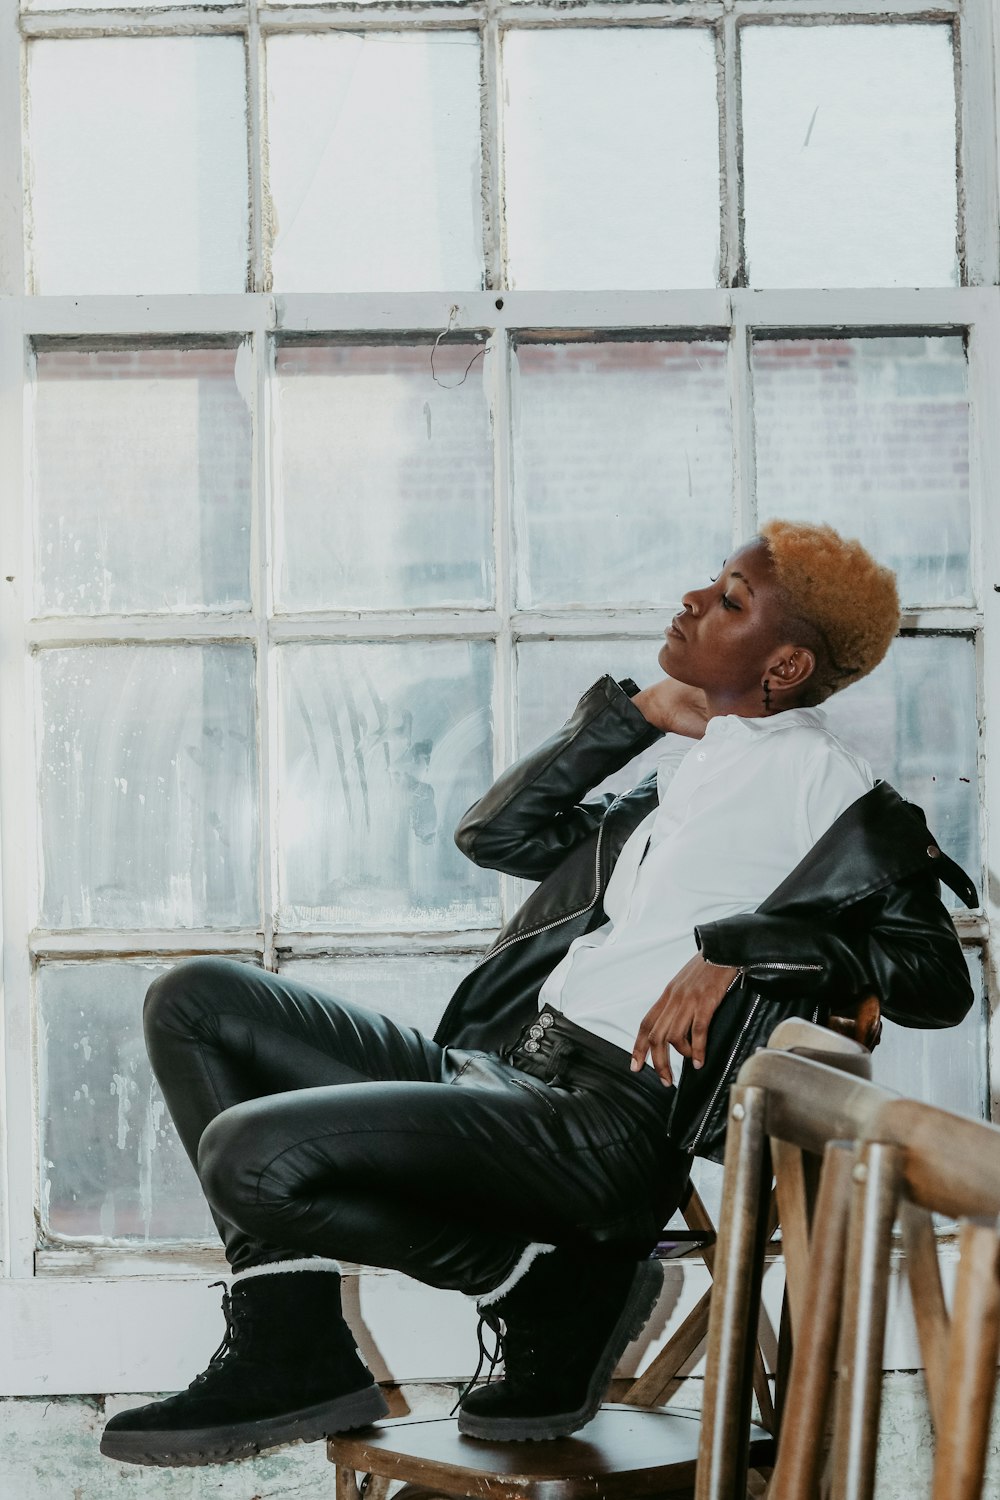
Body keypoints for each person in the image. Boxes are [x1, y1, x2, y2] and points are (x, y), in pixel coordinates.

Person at [100, 520, 976, 1468]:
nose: (692, 600)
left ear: (787, 664)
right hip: (507, 1070)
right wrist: (635, 719)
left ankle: (533, 1282)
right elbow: (498, 834)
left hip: (611, 1125)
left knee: (250, 1158)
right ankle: (290, 1338)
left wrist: (746, 951)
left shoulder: (832, 785)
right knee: (193, 1000)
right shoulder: (690, 769)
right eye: (710, 583)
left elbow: (935, 980)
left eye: (729, 599)